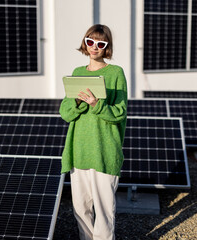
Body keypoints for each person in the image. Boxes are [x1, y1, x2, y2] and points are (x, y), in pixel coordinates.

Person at [59, 24, 128, 240]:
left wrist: (96, 104)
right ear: (85, 43)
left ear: (107, 47)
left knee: (105, 211)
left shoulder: (116, 73)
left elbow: (120, 113)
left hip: (104, 152)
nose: (94, 47)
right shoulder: (77, 73)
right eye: (90, 42)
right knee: (81, 209)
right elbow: (65, 112)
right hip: (79, 150)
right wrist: (79, 103)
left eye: (100, 43)